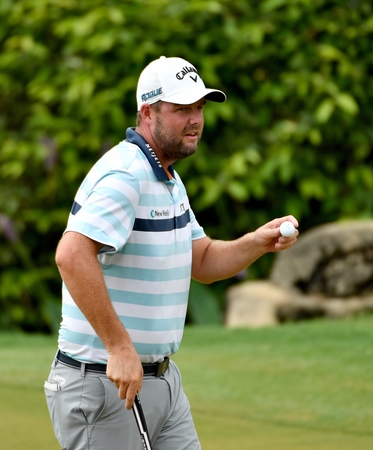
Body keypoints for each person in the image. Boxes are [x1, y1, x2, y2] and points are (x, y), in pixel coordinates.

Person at [44, 55, 299, 450]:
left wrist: (256, 242)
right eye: (182, 109)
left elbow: (203, 261)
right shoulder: (127, 176)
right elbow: (71, 254)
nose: (195, 118)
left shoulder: (166, 178)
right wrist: (119, 346)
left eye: (198, 107)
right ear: (148, 113)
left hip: (161, 382)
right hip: (105, 384)